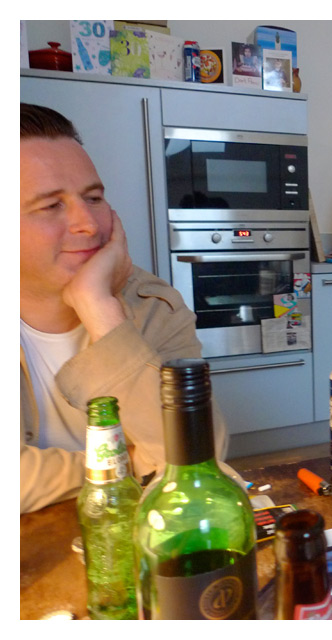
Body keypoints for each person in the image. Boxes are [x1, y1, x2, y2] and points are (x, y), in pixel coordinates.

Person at [20, 103, 229, 514]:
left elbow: (198, 459)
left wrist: (100, 309)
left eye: (93, 197)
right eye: (51, 205)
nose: (88, 223)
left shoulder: (153, 304)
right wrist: (126, 464)